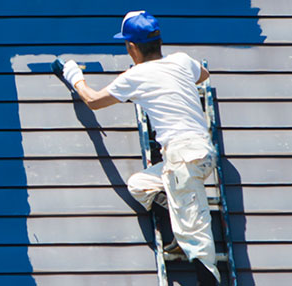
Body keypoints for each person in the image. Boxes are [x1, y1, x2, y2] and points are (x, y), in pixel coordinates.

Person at [61, 10, 220, 286]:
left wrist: (73, 76)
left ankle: (195, 255)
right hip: (199, 154)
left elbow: (94, 101)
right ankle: (179, 229)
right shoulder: (181, 61)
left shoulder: (136, 75)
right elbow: (203, 75)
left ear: (132, 47)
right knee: (140, 184)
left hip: (183, 160)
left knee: (200, 245)